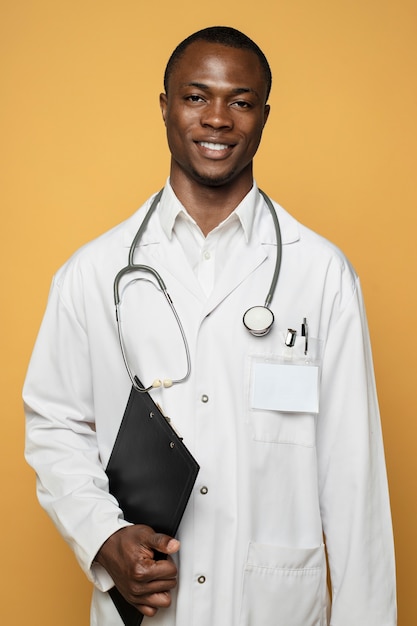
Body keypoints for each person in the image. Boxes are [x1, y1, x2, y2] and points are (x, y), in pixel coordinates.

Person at [24, 26, 397, 626]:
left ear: (264, 116)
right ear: (165, 106)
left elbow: (355, 477)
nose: (217, 119)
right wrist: (102, 538)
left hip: (276, 608)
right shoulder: (92, 273)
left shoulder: (322, 274)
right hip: (150, 608)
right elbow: (55, 425)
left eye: (240, 101)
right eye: (196, 97)